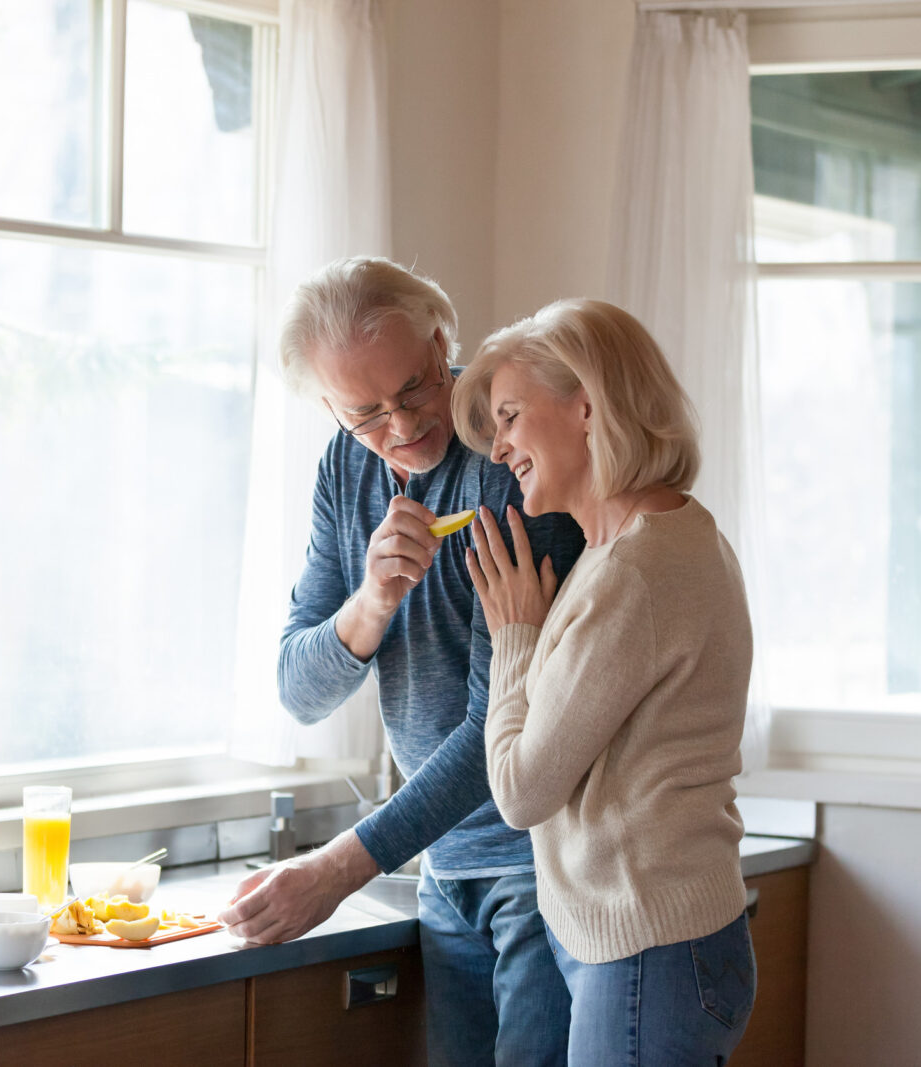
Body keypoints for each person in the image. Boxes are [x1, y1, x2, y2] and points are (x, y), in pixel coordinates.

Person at [217, 257, 583, 1066]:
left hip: (542, 866)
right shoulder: (343, 468)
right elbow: (298, 690)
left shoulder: (510, 462)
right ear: (328, 408)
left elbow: (500, 731)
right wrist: (371, 603)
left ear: (443, 339)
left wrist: (338, 867)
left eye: (417, 388)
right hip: (443, 867)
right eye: (367, 412)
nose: (403, 424)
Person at [453, 297, 757, 1064]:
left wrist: (514, 636)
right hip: (672, 943)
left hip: (650, 951)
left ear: (585, 406)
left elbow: (521, 791)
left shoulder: (632, 572)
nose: (500, 448)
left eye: (512, 416)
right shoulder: (658, 537)